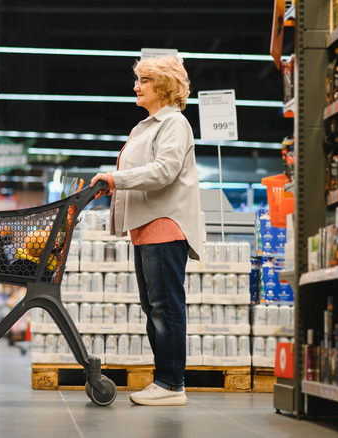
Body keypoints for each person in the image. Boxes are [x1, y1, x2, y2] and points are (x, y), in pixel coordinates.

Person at [90, 55, 204, 406]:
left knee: (165, 307)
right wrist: (116, 184)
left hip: (165, 225)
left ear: (164, 86)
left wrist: (116, 178)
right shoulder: (150, 125)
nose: (136, 86)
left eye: (144, 80)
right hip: (147, 227)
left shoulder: (174, 123)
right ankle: (166, 381)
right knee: (154, 307)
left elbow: (164, 171)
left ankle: (171, 384)